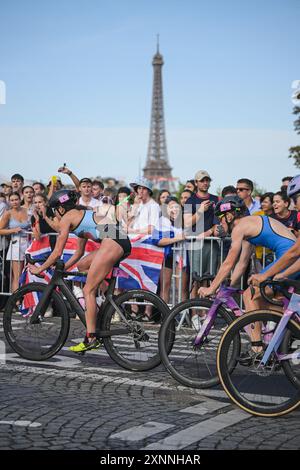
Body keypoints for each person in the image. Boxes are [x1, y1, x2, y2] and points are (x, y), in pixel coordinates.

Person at [28, 189, 131, 353]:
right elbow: (78, 254)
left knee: (88, 290)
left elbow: (56, 252)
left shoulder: (68, 218)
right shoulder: (80, 215)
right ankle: (105, 302)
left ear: (61, 209)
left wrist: (40, 268)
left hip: (113, 242)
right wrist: (62, 269)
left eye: (55, 211)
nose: (56, 214)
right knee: (83, 265)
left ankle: (91, 337)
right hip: (120, 240)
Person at [198, 195, 298, 318]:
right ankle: (288, 324)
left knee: (249, 296)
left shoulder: (239, 228)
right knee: (261, 300)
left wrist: (211, 288)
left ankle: (257, 338)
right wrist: (228, 286)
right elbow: (242, 263)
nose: (220, 223)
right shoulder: (248, 228)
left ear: (229, 216)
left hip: (290, 255)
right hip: (290, 256)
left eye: (220, 218)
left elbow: (229, 262)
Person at [153, 197, 185, 304]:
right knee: (165, 286)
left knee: (182, 288)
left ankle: (182, 315)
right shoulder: (162, 221)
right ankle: (165, 316)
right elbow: (157, 240)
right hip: (167, 256)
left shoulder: (185, 221)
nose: (174, 209)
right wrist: (177, 238)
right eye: (171, 207)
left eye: (176, 206)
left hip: (182, 257)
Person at [0, 192, 30, 293]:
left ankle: (26, 301)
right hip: (16, 244)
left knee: (28, 274)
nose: (14, 202)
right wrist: (12, 230)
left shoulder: (27, 211)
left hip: (28, 244)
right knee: (17, 275)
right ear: (9, 201)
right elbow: (0, 230)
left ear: (20, 199)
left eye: (16, 199)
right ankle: (16, 301)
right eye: (12, 200)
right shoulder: (7, 213)